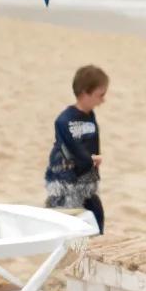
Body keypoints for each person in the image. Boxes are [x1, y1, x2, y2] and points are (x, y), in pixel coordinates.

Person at [44, 64, 109, 234]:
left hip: (86, 180)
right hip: (65, 181)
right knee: (69, 225)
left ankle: (92, 250)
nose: (103, 100)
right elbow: (73, 148)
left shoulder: (90, 116)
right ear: (84, 93)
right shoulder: (64, 120)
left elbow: (93, 143)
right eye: (100, 95)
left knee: (96, 215)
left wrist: (95, 163)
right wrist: (90, 160)